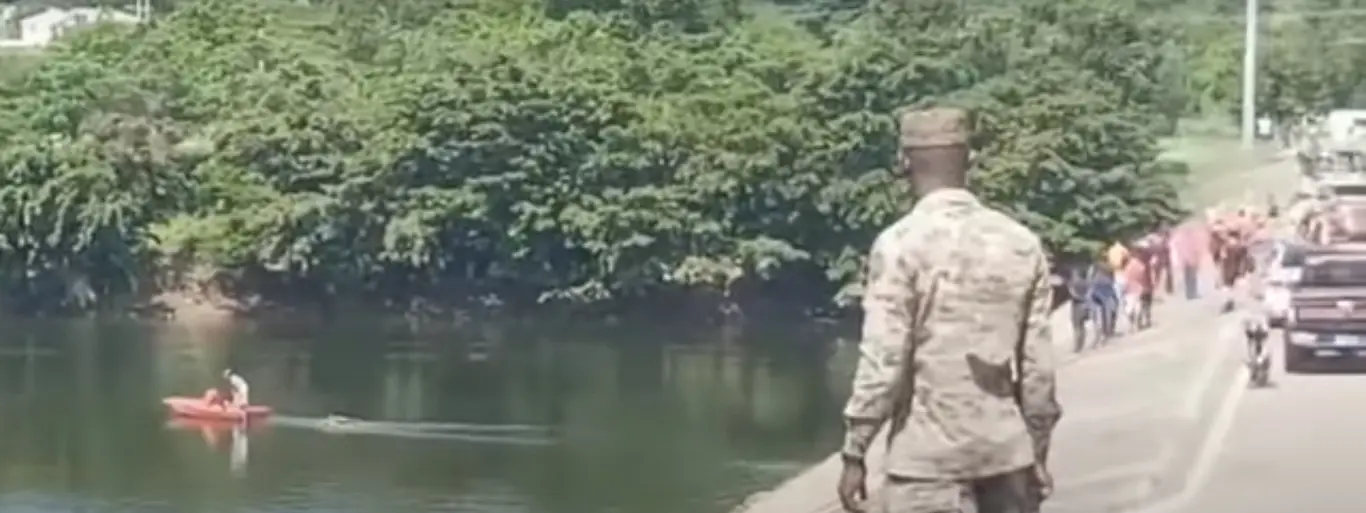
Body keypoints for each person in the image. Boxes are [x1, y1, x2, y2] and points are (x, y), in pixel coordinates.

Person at [837, 107, 1060, 513]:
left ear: (904, 164)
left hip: (925, 461)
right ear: (970, 161)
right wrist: (1037, 452)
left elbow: (884, 363)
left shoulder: (899, 245)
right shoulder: (1020, 242)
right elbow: (1038, 372)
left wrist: (855, 451)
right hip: (1005, 454)